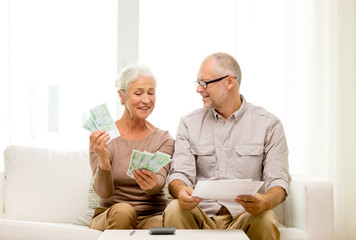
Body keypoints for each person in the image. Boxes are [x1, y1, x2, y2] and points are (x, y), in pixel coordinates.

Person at [163, 52, 291, 240]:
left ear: (229, 82)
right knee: (175, 209)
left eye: (204, 83)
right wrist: (181, 190)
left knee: (266, 219)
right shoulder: (189, 123)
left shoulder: (269, 125)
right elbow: (179, 174)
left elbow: (278, 181)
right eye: (198, 83)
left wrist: (264, 201)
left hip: (244, 216)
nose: (199, 89)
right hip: (201, 215)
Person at [89, 63, 174, 230]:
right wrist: (104, 162)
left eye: (151, 92)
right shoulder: (103, 135)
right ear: (121, 95)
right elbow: (103, 193)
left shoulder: (163, 138)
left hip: (152, 214)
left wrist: (153, 183)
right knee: (123, 211)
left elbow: (160, 182)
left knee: (162, 227)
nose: (146, 100)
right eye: (138, 93)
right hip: (111, 213)